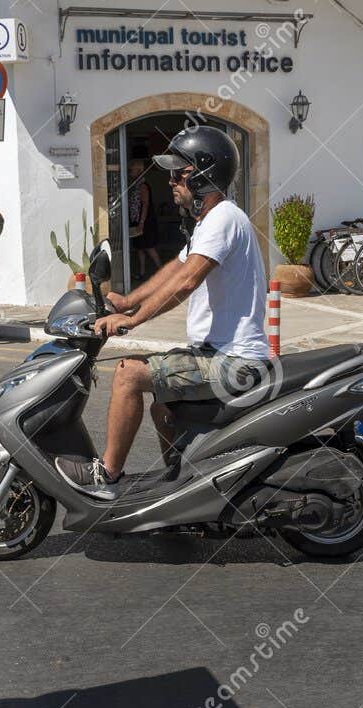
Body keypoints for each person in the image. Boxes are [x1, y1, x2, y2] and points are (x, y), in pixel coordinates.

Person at [56, 126, 270, 500]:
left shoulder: (222, 219)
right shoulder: (211, 221)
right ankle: (183, 486)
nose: (170, 181)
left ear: (204, 175)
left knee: (128, 374)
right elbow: (175, 268)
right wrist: (126, 302)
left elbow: (185, 282)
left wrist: (132, 321)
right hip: (214, 352)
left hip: (234, 360)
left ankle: (107, 475)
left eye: (179, 173)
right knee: (163, 409)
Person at [126, 154, 161, 283]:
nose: (130, 173)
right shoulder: (136, 185)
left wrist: (141, 223)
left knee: (149, 247)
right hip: (136, 219)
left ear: (139, 171)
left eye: (131, 170)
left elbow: (145, 204)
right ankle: (142, 273)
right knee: (140, 247)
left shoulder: (142, 186)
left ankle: (161, 270)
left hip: (144, 221)